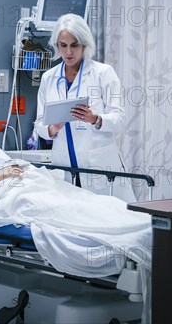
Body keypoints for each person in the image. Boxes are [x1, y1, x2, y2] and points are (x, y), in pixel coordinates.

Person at [34, 13, 135, 203]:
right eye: (63, 46)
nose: (68, 52)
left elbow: (120, 119)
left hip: (97, 165)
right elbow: (40, 123)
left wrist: (95, 119)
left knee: (108, 220)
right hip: (64, 166)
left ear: (84, 45)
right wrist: (51, 129)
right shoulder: (49, 78)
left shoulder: (102, 73)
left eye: (74, 45)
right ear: (57, 46)